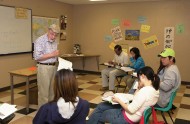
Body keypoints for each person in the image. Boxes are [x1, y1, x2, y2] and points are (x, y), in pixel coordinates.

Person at [87, 66, 160, 124]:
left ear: (143, 76)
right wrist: (138, 88)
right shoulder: (155, 90)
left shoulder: (144, 91)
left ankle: (90, 121)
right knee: (102, 106)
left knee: (99, 114)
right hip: (133, 115)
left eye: (139, 79)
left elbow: (131, 110)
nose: (138, 81)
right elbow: (136, 98)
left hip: (126, 117)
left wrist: (119, 100)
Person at [33, 24, 60, 108]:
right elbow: (37, 57)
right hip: (43, 67)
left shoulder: (55, 41)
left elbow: (54, 55)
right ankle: (43, 114)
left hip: (53, 66)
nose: (53, 37)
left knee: (52, 92)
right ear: (48, 31)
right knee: (44, 93)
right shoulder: (40, 40)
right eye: (52, 34)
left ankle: (51, 111)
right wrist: (52, 54)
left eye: (55, 35)